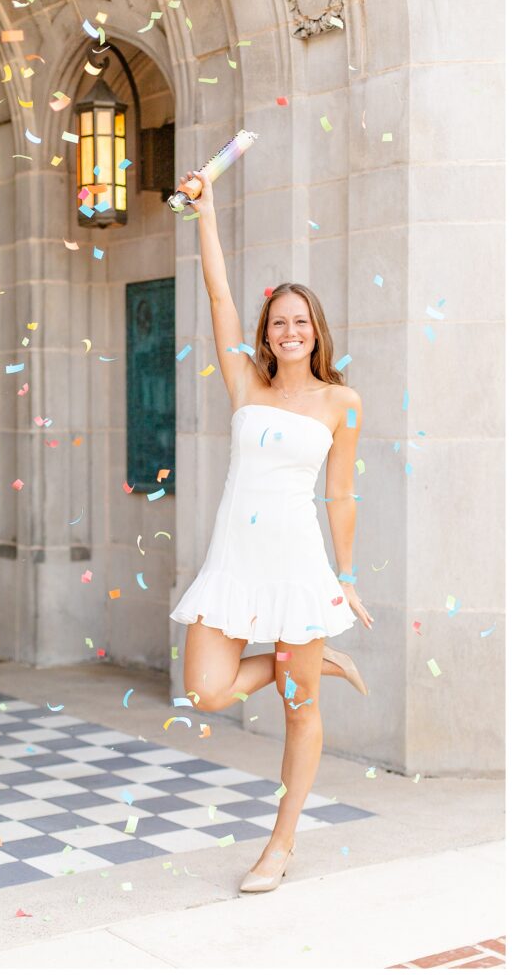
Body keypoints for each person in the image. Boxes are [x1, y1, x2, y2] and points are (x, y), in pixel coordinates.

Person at [169, 168, 374, 894]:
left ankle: (280, 846)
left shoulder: (340, 401)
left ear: (316, 330)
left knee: (298, 710)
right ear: (266, 334)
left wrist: (345, 579)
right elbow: (219, 294)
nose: (290, 331)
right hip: (235, 558)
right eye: (278, 321)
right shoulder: (246, 386)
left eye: (301, 321)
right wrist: (207, 209)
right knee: (207, 692)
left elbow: (340, 494)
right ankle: (322, 667)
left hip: (295, 563)